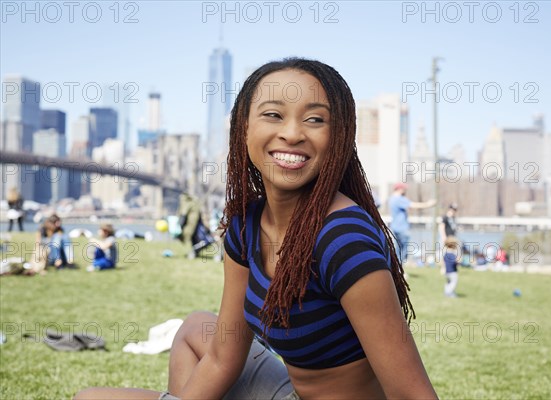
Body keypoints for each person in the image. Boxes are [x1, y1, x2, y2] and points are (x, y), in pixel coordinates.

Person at [75, 58, 437, 399]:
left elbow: (412, 394)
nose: (292, 133)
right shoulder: (245, 225)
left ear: (339, 137)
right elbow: (221, 358)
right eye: (273, 115)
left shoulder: (342, 239)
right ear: (243, 129)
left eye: (315, 120)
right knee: (196, 328)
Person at [388, 182, 435, 264]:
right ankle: (400, 269)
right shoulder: (399, 199)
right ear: (399, 189)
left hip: (395, 227)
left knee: (398, 249)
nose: (405, 190)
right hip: (402, 228)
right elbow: (413, 205)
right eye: (404, 189)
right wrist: (428, 204)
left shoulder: (392, 199)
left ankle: (398, 268)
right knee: (403, 251)